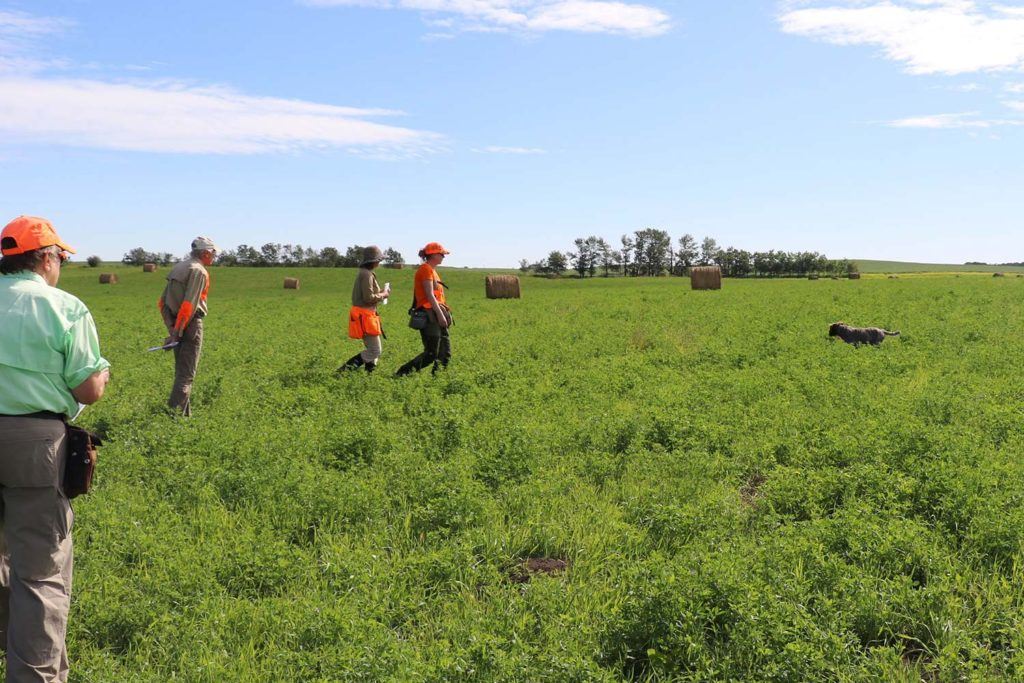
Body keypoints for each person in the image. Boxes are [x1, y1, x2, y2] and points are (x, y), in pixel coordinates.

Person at [0, 215, 110, 682]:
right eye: (61, 257)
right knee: (40, 572)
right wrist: (101, 374)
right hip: (34, 443)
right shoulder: (64, 307)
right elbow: (88, 391)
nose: (61, 265)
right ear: (46, 258)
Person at [159, 237, 217, 416]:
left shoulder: (179, 267)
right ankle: (173, 419)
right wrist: (178, 332)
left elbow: (162, 303)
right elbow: (189, 305)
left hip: (179, 323)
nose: (214, 256)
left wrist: (172, 328)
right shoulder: (198, 271)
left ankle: (186, 418)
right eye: (213, 253)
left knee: (181, 374)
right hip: (190, 325)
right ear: (205, 253)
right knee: (186, 377)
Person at [395, 242, 452, 376]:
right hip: (430, 316)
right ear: (433, 255)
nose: (444, 256)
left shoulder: (433, 270)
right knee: (431, 353)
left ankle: (438, 380)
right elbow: (429, 295)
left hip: (436, 314)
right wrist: (440, 315)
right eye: (441, 254)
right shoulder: (425, 269)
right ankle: (402, 374)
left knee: (444, 353)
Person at [340, 246, 391, 373]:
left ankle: (369, 376)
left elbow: (368, 295)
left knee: (373, 349)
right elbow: (368, 298)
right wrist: (383, 295)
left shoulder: (365, 273)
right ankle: (344, 371)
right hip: (365, 315)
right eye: (379, 260)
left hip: (366, 315)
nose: (379, 263)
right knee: (375, 350)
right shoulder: (366, 274)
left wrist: (382, 292)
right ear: (374, 261)